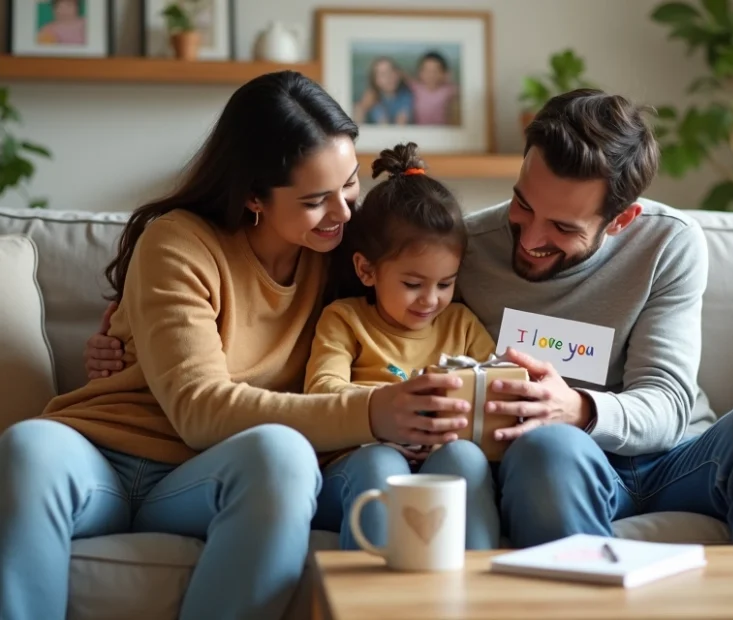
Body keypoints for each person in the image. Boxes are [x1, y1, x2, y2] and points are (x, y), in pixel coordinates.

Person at [83, 88, 733, 550]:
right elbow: (336, 284)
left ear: (624, 219)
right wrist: (130, 329)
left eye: (564, 230)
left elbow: (670, 402)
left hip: (665, 452)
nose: (530, 239)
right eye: (521, 204)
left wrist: (575, 407)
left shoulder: (671, 244)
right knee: (548, 454)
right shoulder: (455, 249)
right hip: (552, 462)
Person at [0, 71, 478, 620]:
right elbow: (199, 409)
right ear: (254, 195)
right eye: (316, 199)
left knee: (283, 455)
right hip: (103, 458)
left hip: (206, 477)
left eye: (349, 184)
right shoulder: (179, 242)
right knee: (28, 446)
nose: (345, 213)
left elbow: (438, 248)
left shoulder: (347, 254)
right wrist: (373, 412)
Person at [307, 142, 499, 550]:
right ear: (366, 270)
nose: (431, 300)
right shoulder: (346, 320)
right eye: (413, 284)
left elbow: (492, 390)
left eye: (445, 284)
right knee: (382, 463)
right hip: (357, 465)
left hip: (440, 459)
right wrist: (389, 409)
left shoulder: (461, 324)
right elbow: (321, 393)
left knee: (465, 460)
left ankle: (482, 592)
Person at [353, 57, 414, 125]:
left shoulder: (406, 95)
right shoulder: (373, 99)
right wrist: (362, 107)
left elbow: (401, 124)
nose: (388, 77)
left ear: (398, 74)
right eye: (382, 74)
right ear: (375, 80)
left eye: (391, 71)